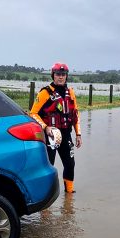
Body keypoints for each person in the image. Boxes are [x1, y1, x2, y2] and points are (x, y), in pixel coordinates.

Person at [30, 62, 82, 193]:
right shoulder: (45, 93)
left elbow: (75, 114)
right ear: (53, 75)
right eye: (58, 74)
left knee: (70, 164)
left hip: (66, 134)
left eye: (63, 74)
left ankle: (69, 194)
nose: (61, 77)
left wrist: (78, 134)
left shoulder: (70, 93)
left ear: (66, 76)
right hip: (50, 136)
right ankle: (45, 196)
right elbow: (33, 113)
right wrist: (45, 127)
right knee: (48, 166)